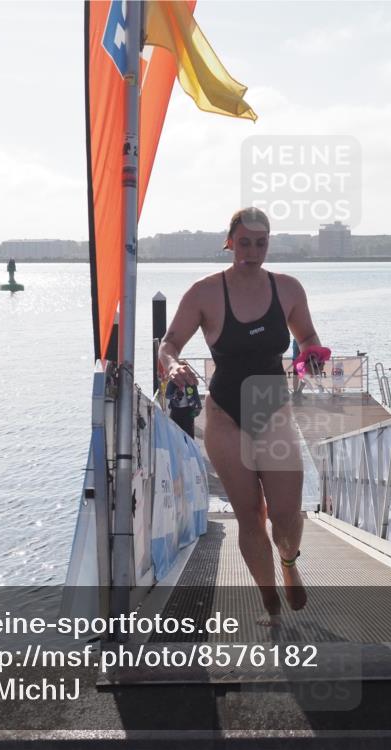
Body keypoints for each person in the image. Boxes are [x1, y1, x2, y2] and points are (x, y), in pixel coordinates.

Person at [157, 207, 324, 626]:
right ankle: (269, 601)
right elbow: (169, 343)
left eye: (261, 243)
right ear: (230, 242)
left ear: (270, 242)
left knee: (287, 514)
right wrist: (171, 365)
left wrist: (310, 355)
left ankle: (288, 561)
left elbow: (307, 337)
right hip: (226, 415)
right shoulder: (205, 292)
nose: (253, 252)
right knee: (250, 514)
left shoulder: (287, 288)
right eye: (245, 243)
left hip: (272, 409)